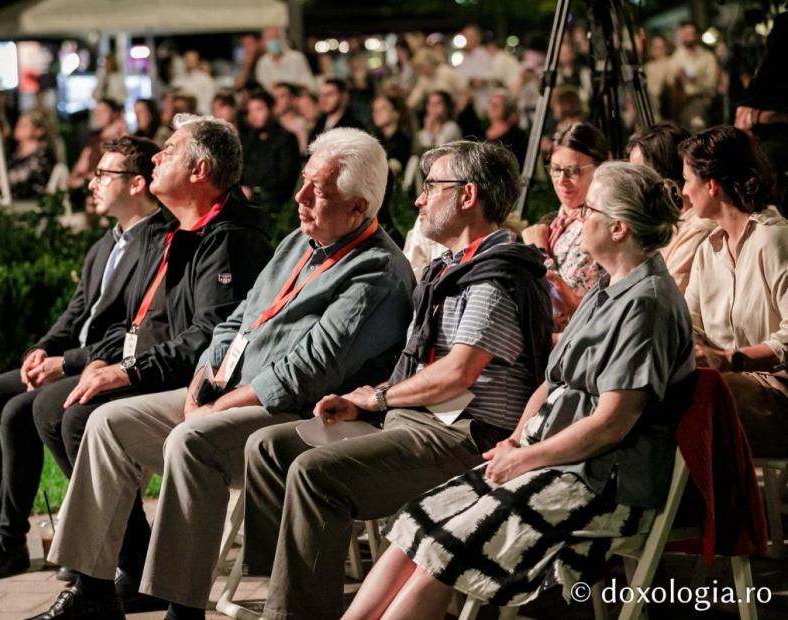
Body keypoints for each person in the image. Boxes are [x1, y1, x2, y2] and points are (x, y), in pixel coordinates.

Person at [29, 127, 414, 620]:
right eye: (303, 182)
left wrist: (215, 406)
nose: (299, 199)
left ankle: (181, 607)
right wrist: (200, 383)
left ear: (359, 207)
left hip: (293, 415)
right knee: (107, 424)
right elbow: (236, 319)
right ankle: (93, 589)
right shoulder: (300, 241)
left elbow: (307, 371)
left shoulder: (377, 271)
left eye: (317, 192)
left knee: (194, 441)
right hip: (225, 392)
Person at [344, 161, 695, 620]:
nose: (576, 216)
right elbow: (552, 382)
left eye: (588, 208)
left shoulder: (647, 304)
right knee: (416, 522)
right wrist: (517, 438)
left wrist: (525, 456)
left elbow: (613, 422)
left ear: (618, 228)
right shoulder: (605, 289)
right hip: (551, 459)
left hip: (600, 481)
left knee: (447, 548)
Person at [243, 140, 554, 620]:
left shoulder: (497, 274)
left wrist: (377, 398)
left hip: (461, 438)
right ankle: (284, 587)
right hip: (413, 421)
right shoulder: (451, 268)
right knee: (270, 447)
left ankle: (295, 610)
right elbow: (422, 364)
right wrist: (370, 401)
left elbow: (456, 373)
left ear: (467, 196)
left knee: (314, 473)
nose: (418, 199)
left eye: (432, 187)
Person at [29, 116, 273, 610]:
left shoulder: (228, 238)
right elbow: (140, 321)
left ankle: (113, 575)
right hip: (166, 371)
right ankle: (98, 579)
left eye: (169, 150)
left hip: (204, 390)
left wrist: (130, 369)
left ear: (200, 170)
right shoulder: (183, 233)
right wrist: (100, 360)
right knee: (58, 409)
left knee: (78, 415)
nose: (157, 157)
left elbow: (211, 339)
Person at [0, 136, 169, 582]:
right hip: (71, 361)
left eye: (103, 175)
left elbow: (134, 331)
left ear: (136, 184)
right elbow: (77, 312)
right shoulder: (105, 244)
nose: (92, 183)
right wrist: (42, 349)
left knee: (21, 411)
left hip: (101, 367)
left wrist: (67, 363)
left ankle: (15, 538)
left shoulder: (157, 243)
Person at [681, 125, 788, 458]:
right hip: (723, 386)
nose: (683, 192)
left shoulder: (774, 240)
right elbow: (689, 326)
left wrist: (729, 359)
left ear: (711, 186)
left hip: (776, 392)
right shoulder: (708, 249)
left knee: (694, 397)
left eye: (687, 180)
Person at [521, 122, 609, 330]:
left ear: (601, 168)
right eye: (556, 169)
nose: (562, 180)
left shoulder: (602, 226)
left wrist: (539, 252)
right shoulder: (553, 222)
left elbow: (565, 305)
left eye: (573, 171)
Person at [627, 122, 716, 292]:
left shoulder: (700, 228)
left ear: (665, 174)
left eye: (638, 175)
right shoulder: (661, 220)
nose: (632, 184)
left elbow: (664, 294)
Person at [240, 89, 301, 208]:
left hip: (272, 201)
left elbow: (285, 177)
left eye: (259, 109)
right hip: (246, 199)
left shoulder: (286, 139)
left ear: (271, 109)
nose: (253, 115)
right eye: (250, 111)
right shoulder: (247, 139)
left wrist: (254, 193)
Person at [667, 22, 719, 133]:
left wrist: (693, 81)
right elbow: (670, 81)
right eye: (684, 33)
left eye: (689, 33)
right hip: (682, 104)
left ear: (697, 36)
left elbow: (712, 84)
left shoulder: (707, 57)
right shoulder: (676, 57)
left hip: (702, 101)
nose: (686, 36)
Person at [7, 110, 57, 200]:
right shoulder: (14, 153)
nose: (19, 127)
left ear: (39, 131)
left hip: (32, 202)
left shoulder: (43, 154)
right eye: (19, 123)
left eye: (25, 125)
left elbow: (27, 178)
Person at [255, 26, 315, 93]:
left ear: (283, 39)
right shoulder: (262, 62)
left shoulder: (297, 58)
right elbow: (261, 88)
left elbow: (309, 85)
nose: (274, 41)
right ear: (263, 41)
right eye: (270, 38)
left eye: (277, 37)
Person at [406, 48, 466, 112]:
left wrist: (458, 110)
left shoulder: (446, 71)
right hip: (439, 111)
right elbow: (416, 95)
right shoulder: (424, 78)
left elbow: (464, 92)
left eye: (422, 67)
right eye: (418, 69)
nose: (421, 72)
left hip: (455, 108)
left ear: (430, 63)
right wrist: (405, 108)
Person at [308, 78, 366, 144]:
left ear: (343, 96)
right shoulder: (319, 123)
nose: (323, 99)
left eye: (329, 94)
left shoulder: (353, 125)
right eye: (322, 95)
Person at [484, 89, 527, 164]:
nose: (492, 107)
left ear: (507, 109)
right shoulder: (483, 131)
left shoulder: (516, 136)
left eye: (497, 105)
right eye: (491, 104)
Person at [371, 94, 413, 168]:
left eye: (383, 108)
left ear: (395, 113)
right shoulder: (374, 139)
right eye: (375, 110)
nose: (377, 113)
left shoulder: (403, 140)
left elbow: (394, 169)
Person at [172, 50, 216, 116]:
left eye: (192, 59)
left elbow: (209, 101)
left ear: (197, 60)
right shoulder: (178, 80)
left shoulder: (205, 79)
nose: (189, 61)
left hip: (199, 116)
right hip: (181, 116)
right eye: (187, 59)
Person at [272, 82, 309, 152]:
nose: (276, 101)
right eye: (274, 97)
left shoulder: (300, 124)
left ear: (292, 99)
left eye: (281, 96)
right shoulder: (271, 124)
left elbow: (302, 151)